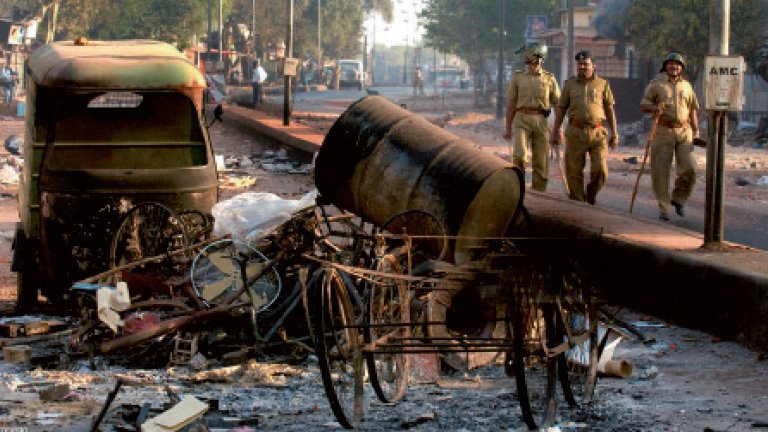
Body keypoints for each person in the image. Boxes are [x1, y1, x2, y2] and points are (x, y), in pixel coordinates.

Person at [550, 51, 619, 204]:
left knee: (600, 170)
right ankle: (578, 204)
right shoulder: (569, 84)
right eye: (579, 64)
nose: (582, 67)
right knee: (573, 172)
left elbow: (609, 109)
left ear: (593, 66)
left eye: (585, 64)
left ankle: (591, 194)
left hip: (598, 133)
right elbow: (561, 110)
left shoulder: (603, 84)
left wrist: (615, 134)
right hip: (575, 131)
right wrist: (555, 132)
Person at [639, 51, 700, 221]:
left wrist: (696, 130)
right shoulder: (656, 84)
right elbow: (644, 105)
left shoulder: (687, 86)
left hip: (684, 131)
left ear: (682, 67)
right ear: (665, 66)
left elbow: (693, 109)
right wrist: (655, 108)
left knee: (690, 169)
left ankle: (679, 199)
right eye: (670, 63)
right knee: (660, 171)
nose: (674, 67)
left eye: (677, 64)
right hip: (662, 131)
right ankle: (664, 209)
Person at [503, 42, 560, 191]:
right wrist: (507, 128)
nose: (526, 57)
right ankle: (517, 189)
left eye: (529, 54)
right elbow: (511, 104)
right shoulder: (518, 77)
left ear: (539, 56)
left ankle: (538, 193)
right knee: (520, 157)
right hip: (521, 119)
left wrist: (557, 130)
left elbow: (557, 105)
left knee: (541, 161)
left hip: (542, 121)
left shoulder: (549, 79)